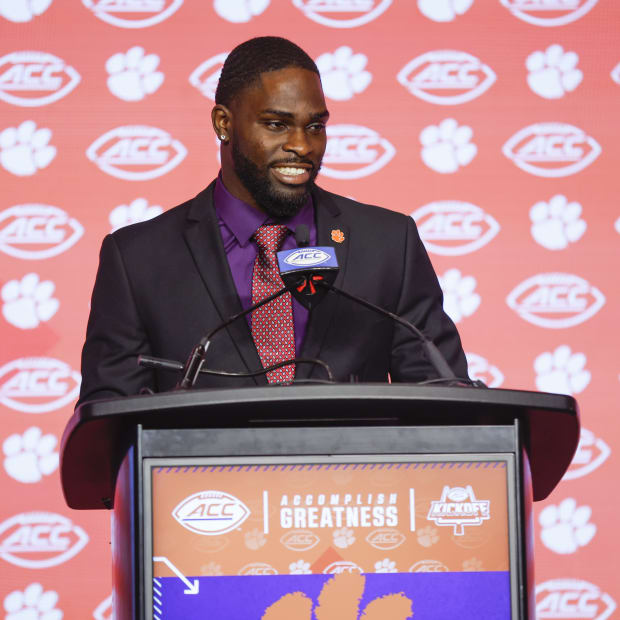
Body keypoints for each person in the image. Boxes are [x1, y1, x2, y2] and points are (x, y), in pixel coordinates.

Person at [76, 36, 468, 406]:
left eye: (315, 126)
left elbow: (445, 400)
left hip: (354, 477)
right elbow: (109, 423)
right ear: (223, 123)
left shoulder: (387, 245)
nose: (302, 145)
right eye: (277, 125)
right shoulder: (138, 258)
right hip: (205, 478)